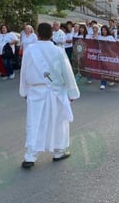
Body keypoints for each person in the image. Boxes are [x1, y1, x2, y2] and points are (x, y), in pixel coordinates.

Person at [19, 23, 80, 169]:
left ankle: (30, 156)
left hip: (35, 91)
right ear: (52, 34)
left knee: (34, 123)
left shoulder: (30, 50)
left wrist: (24, 91)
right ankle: (59, 151)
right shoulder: (58, 51)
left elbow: (24, 71)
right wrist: (72, 93)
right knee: (58, 121)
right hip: (56, 91)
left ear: (38, 34)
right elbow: (67, 72)